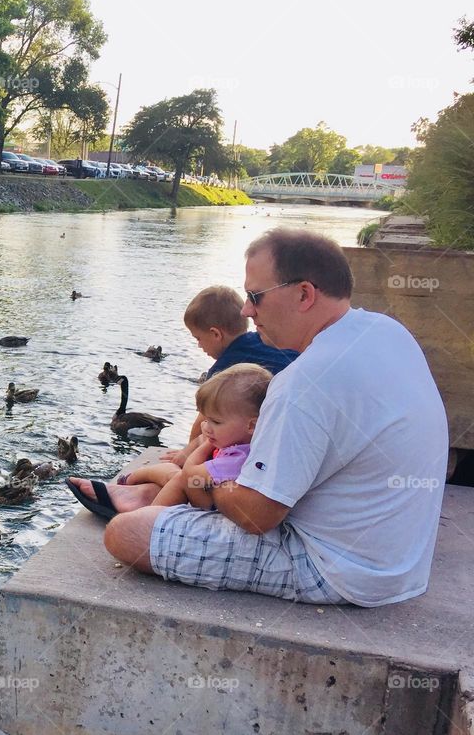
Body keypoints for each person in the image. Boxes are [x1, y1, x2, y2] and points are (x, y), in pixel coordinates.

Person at [71, 228, 448, 606]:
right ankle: (156, 491)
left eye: (255, 296)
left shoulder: (304, 382)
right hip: (400, 559)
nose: (246, 311)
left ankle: (152, 495)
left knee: (125, 533)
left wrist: (201, 477)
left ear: (304, 294)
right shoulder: (387, 331)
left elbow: (256, 516)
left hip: (338, 568)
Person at [150, 285, 297, 472]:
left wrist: (186, 455)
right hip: (282, 430)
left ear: (215, 334)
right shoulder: (265, 340)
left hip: (257, 438)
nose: (199, 346)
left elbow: (203, 419)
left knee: (208, 429)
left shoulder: (225, 371)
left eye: (198, 338)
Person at [142, 363, 272, 508]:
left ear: (252, 426)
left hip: (213, 509)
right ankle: (131, 482)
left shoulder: (238, 457)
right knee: (171, 474)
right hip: (215, 499)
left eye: (216, 421)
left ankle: (149, 517)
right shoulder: (247, 445)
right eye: (206, 420)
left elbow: (190, 473)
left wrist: (207, 444)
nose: (205, 427)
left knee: (179, 478)